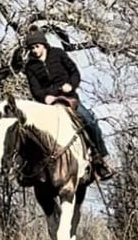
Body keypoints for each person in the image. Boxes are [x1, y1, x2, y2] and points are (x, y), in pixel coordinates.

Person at [19, 27, 116, 181]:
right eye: (31, 48)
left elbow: (74, 72)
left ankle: (101, 159)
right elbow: (35, 89)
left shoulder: (58, 54)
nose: (35, 50)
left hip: (68, 98)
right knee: (29, 129)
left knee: (90, 121)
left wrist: (70, 85)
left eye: (37, 46)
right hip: (48, 104)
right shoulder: (30, 66)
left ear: (43, 45)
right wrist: (45, 98)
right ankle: (29, 167)